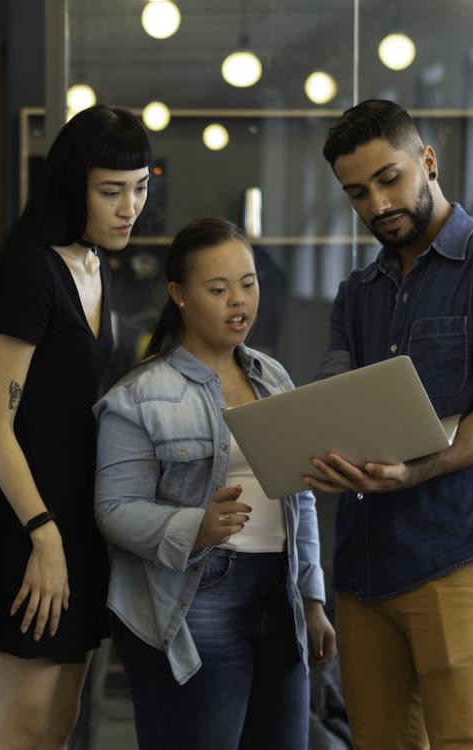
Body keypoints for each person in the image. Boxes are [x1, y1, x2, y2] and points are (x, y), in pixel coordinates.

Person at [304, 99, 473, 749]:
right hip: (364, 569)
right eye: (357, 193)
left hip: (464, 554)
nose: (377, 204)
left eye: (389, 179)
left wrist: (414, 468)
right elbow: (335, 397)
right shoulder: (357, 292)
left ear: (427, 161)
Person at [93, 217, 336, 750]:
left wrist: (312, 597)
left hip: (280, 597)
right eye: (218, 289)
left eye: (248, 284)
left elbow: (300, 495)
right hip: (198, 595)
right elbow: (113, 509)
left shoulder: (272, 378)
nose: (239, 302)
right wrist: (194, 527)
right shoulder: (138, 395)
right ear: (178, 295)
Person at [0, 104, 152, 750]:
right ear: (74, 187)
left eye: (142, 187)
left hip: (79, 524)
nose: (130, 207)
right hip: (29, 524)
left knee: (60, 725)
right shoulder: (31, 273)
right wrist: (43, 537)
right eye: (111, 191)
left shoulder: (98, 266)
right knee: (22, 728)